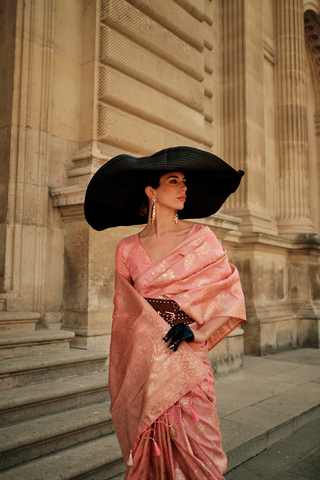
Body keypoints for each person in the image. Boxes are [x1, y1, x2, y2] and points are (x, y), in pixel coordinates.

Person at [84, 146, 247, 480]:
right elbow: (123, 316)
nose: (184, 188)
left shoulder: (202, 238)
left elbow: (230, 296)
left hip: (187, 359)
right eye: (174, 181)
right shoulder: (126, 248)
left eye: (184, 181)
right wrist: (138, 355)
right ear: (151, 191)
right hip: (146, 364)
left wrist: (198, 332)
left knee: (202, 455)